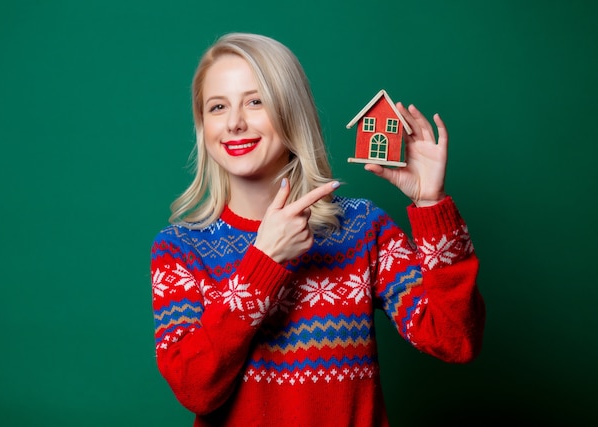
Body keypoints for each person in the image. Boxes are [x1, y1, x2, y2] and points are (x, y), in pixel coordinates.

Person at [150, 32, 485, 427]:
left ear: (291, 112)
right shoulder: (179, 249)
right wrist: (264, 263)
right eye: (217, 107)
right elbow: (194, 389)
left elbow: (454, 340)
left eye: (256, 101)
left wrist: (431, 205)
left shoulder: (361, 227)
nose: (235, 123)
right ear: (202, 125)